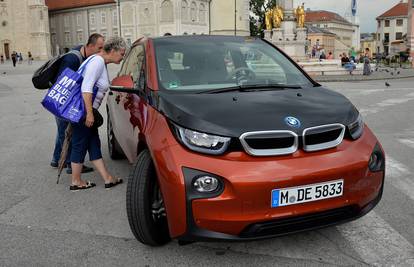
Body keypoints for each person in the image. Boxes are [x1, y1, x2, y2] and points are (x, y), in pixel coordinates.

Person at [69, 36, 127, 190]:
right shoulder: (97, 62)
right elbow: (86, 89)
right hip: (83, 111)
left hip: (87, 110)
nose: (123, 57)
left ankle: (107, 178)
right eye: (122, 54)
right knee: (79, 143)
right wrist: (89, 114)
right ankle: (75, 181)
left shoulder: (97, 60)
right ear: (113, 50)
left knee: (94, 143)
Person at [50, 33, 105, 175]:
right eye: (99, 48)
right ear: (90, 46)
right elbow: (63, 82)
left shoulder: (84, 56)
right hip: (64, 102)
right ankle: (69, 164)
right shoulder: (72, 59)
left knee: (62, 130)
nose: (101, 52)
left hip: (65, 102)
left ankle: (56, 159)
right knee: (65, 131)